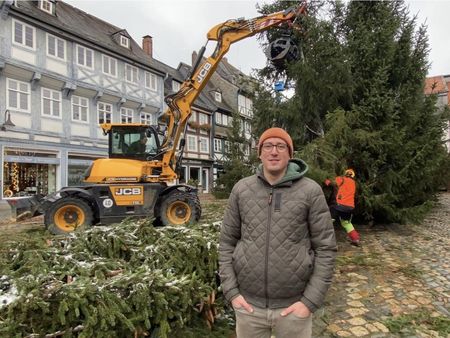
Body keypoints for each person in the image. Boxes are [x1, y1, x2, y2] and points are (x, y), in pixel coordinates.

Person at [219, 127, 337, 338]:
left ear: (290, 153)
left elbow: (326, 249)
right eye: (268, 146)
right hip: (248, 308)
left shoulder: (310, 191)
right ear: (260, 152)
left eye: (281, 146)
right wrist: (232, 292)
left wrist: (309, 302)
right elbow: (227, 243)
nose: (274, 151)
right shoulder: (241, 190)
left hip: (294, 309)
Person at [324, 169, 360, 246]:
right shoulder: (354, 183)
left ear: (345, 174)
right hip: (349, 207)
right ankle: (355, 239)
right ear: (352, 176)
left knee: (328, 221)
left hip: (338, 205)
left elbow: (332, 184)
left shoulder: (341, 179)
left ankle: (324, 241)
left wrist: (325, 181)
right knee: (347, 223)